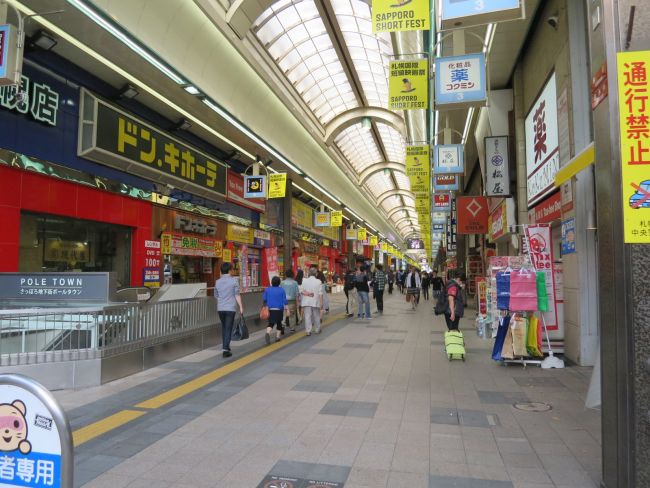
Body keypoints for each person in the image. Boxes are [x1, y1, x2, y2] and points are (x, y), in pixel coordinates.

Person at [214, 262, 244, 358]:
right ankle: (225, 350)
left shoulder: (217, 282)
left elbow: (216, 295)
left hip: (220, 308)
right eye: (232, 269)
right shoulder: (234, 281)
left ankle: (226, 346)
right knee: (228, 328)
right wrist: (241, 306)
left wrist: (222, 301)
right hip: (230, 308)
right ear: (230, 270)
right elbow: (237, 294)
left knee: (224, 327)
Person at [262, 276, 289, 344]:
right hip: (279, 309)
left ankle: (268, 333)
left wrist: (265, 306)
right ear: (279, 282)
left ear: (272, 282)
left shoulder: (267, 289)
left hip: (270, 309)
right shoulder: (282, 290)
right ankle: (277, 337)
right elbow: (285, 301)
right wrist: (287, 309)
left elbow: (264, 299)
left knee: (271, 323)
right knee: (279, 323)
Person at [299, 267, 323, 335]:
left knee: (307, 316)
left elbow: (301, 291)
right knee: (316, 316)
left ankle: (308, 331)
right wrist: (321, 303)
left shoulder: (304, 280)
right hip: (315, 301)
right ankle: (317, 329)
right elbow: (320, 293)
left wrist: (308, 294)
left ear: (309, 273)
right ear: (316, 273)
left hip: (306, 301)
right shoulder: (319, 281)